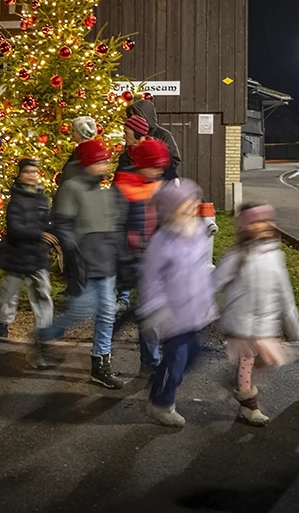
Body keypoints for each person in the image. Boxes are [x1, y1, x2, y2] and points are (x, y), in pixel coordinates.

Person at [37, 139, 124, 388]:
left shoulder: (104, 193)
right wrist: (75, 255)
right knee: (79, 311)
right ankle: (44, 336)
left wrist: (117, 256)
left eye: (106, 162)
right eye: (100, 162)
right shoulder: (71, 188)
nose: (105, 166)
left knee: (107, 314)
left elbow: (111, 228)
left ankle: (100, 365)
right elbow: (63, 225)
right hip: (85, 264)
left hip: (105, 264)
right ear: (87, 164)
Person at [214, 203, 299, 426]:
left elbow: (284, 292)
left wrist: (292, 322)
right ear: (245, 227)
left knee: (269, 359)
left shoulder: (275, 255)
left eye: (266, 220)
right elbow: (214, 282)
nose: (262, 225)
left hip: (265, 325)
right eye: (255, 222)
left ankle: (237, 382)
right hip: (241, 324)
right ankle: (249, 406)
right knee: (247, 361)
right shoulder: (238, 256)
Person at [138, 179, 216, 427]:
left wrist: (208, 301)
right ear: (172, 210)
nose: (192, 207)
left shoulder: (197, 233)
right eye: (185, 204)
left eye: (193, 201)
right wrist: (155, 309)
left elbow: (200, 272)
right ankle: (161, 403)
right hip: (172, 314)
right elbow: (151, 279)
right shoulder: (162, 242)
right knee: (177, 360)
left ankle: (161, 381)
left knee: (193, 356)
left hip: (194, 312)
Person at [111, 138, 171, 374]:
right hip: (130, 258)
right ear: (142, 164)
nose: (158, 171)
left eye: (160, 167)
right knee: (145, 311)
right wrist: (123, 258)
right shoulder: (123, 186)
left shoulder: (158, 186)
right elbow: (116, 225)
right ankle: (107, 348)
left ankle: (150, 359)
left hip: (151, 259)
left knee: (149, 311)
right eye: (154, 166)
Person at [0, 159, 55, 345]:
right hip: (18, 255)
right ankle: (2, 321)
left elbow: (47, 222)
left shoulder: (42, 198)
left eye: (34, 172)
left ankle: (45, 330)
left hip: (37, 256)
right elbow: (15, 228)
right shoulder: (16, 200)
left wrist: (49, 239)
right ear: (20, 175)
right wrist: (39, 235)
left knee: (43, 294)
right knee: (9, 295)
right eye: (27, 171)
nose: (31, 175)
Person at [128, 99, 182, 180]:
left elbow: (175, 160)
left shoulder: (163, 134)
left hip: (162, 181)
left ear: (145, 114)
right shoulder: (132, 135)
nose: (133, 117)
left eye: (135, 114)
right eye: (131, 114)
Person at [60, 116, 97, 185]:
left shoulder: (85, 153)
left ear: (80, 133)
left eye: (73, 130)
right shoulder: (80, 151)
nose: (71, 133)